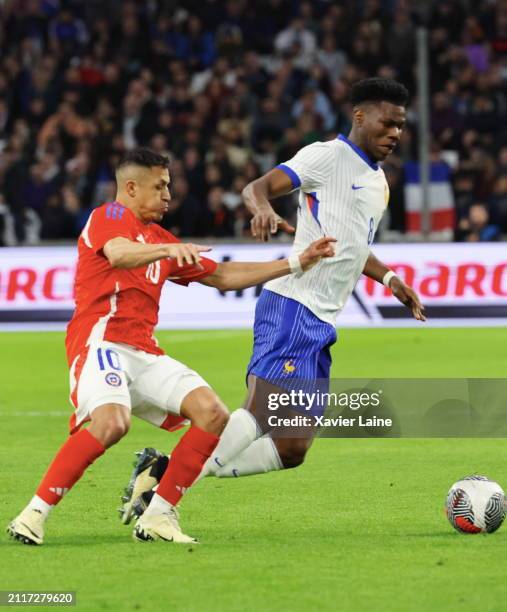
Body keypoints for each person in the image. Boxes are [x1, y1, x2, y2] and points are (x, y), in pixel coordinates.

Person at [119, 78, 427, 522]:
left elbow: (354, 245)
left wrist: (392, 279)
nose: (396, 133)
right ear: (360, 116)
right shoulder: (326, 157)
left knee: (292, 447)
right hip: (291, 306)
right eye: (388, 122)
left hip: (321, 322)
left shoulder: (378, 182)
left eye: (401, 125)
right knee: (260, 412)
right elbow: (256, 188)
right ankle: (163, 501)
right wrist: (262, 208)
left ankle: (162, 470)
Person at [7, 147, 336, 546]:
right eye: (160, 186)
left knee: (212, 413)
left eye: (169, 185)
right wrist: (167, 250)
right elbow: (119, 253)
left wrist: (297, 263)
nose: (168, 194)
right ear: (130, 187)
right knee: (112, 422)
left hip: (144, 351)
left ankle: (160, 515)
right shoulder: (109, 218)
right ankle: (33, 515)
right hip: (101, 343)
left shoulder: (158, 237)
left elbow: (224, 276)